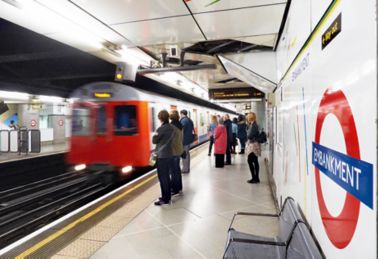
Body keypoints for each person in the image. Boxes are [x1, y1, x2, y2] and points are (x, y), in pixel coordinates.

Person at [152, 110, 174, 205]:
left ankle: (165, 199)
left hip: (162, 156)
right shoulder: (171, 128)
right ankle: (167, 196)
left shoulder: (161, 129)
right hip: (169, 154)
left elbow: (154, 140)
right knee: (167, 177)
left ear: (160, 118)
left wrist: (155, 134)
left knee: (163, 177)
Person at [169, 110, 184, 196]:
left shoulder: (172, 126)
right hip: (179, 149)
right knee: (177, 170)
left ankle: (174, 189)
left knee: (173, 171)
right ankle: (179, 187)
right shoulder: (180, 124)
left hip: (173, 151)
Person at [246, 112, 261, 184]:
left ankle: (254, 178)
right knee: (255, 161)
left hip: (253, 145)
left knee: (250, 161)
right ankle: (256, 178)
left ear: (250, 118)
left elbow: (249, 135)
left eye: (248, 117)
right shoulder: (253, 124)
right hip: (254, 144)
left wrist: (248, 133)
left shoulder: (254, 125)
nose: (247, 118)